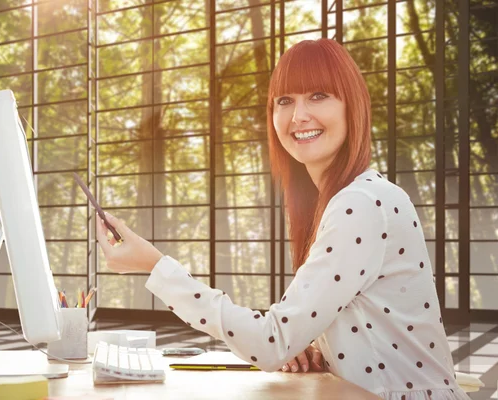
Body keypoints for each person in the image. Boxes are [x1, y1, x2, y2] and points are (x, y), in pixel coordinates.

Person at [96, 39, 468, 399]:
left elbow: (271, 343)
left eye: (318, 96)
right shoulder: (347, 198)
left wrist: (155, 266)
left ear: (352, 106)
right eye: (284, 100)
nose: (298, 115)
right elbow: (324, 333)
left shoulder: (362, 203)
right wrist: (314, 343)